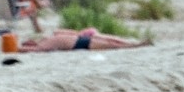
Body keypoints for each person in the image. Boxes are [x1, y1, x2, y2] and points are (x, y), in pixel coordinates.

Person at [19, 27, 151, 52]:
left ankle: (134, 44)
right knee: (111, 45)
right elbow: (35, 50)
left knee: (110, 42)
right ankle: (134, 46)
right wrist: (20, 48)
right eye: (28, 42)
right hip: (79, 44)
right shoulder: (44, 45)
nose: (29, 40)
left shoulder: (49, 37)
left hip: (80, 39)